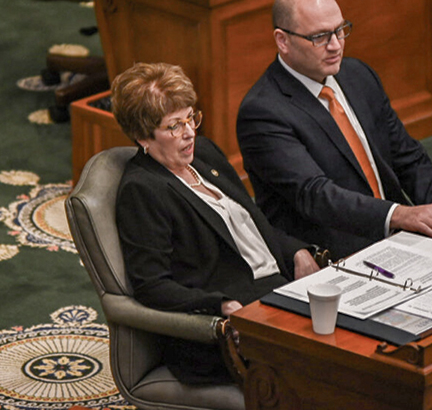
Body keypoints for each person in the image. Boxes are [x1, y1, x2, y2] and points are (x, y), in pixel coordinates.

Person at [112, 62, 320, 385]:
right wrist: (220, 305)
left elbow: (252, 224)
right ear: (142, 136)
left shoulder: (204, 154)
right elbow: (151, 286)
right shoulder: (142, 190)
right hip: (223, 330)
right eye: (173, 126)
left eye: (191, 118)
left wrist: (297, 253)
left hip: (279, 291)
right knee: (336, 366)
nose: (189, 133)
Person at [236, 0, 432, 259]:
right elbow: (317, 195)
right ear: (283, 41)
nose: (336, 45)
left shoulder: (358, 75)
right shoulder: (262, 112)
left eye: (340, 30)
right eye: (319, 37)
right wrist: (398, 215)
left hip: (401, 234)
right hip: (338, 255)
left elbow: (409, 158)